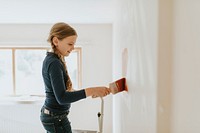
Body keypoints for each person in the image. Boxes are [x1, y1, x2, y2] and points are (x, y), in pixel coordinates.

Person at [40, 22, 110, 133]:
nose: (73, 47)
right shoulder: (54, 63)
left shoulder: (53, 60)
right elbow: (62, 98)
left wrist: (91, 93)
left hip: (54, 116)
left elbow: (62, 94)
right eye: (70, 44)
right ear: (56, 41)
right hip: (55, 117)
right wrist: (92, 90)